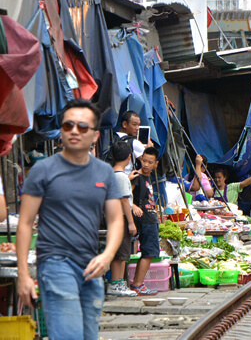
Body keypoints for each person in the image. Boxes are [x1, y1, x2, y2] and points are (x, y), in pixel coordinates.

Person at [16, 99, 123, 339]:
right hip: (55, 264)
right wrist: (24, 275)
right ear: (61, 131)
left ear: (95, 135)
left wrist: (107, 256)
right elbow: (25, 223)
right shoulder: (43, 170)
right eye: (68, 126)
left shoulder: (104, 172)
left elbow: (116, 220)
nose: (74, 131)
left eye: (83, 127)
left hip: (91, 265)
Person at [107, 141, 138, 297]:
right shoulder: (122, 178)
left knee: (119, 252)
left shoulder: (111, 175)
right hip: (121, 218)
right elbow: (125, 201)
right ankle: (115, 283)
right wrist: (131, 222)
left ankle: (118, 282)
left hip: (112, 217)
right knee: (121, 253)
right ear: (129, 157)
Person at [130, 147, 160, 295]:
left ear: (156, 164)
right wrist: (134, 206)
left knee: (149, 252)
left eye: (150, 162)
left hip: (151, 216)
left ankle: (137, 284)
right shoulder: (136, 176)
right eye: (144, 161)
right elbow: (126, 195)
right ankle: (138, 284)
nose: (146, 164)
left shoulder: (149, 177)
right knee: (148, 252)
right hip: (144, 219)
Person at [117, 110, 150, 176]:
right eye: (134, 125)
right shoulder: (134, 143)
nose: (137, 128)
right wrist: (149, 148)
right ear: (124, 124)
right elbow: (148, 163)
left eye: (138, 125)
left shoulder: (112, 138)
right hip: (128, 178)